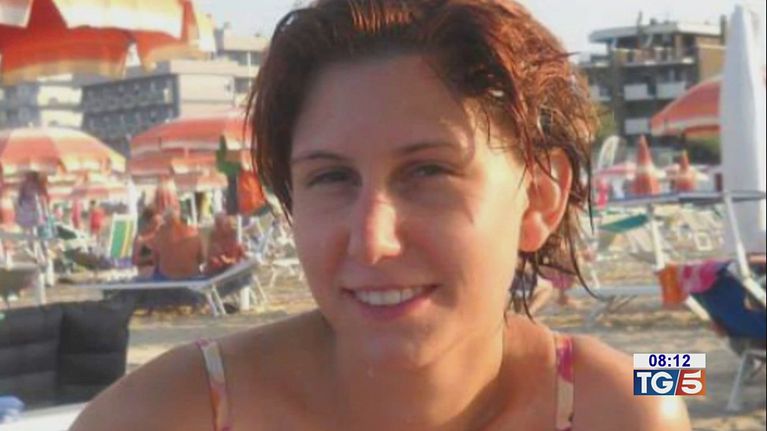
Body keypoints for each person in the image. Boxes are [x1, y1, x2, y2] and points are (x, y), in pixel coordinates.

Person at [72, 1, 691, 430]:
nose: (371, 241)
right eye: (331, 177)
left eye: (428, 172)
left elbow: (685, 374)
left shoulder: (630, 403)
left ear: (540, 197)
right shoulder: (164, 412)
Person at [150, 206, 204, 280]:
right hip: (192, 277)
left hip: (168, 279)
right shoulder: (193, 232)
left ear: (164, 220)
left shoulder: (159, 236)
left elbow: (155, 262)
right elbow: (201, 259)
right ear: (179, 217)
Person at [131, 206, 163, 279]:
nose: (158, 227)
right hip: (147, 274)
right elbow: (134, 260)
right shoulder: (141, 238)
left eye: (161, 223)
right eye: (156, 224)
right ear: (149, 223)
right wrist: (151, 257)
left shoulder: (162, 236)